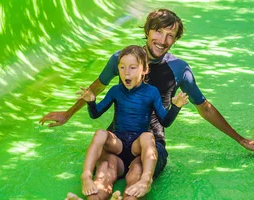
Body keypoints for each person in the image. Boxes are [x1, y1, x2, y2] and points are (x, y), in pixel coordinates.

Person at [41, 9, 254, 199]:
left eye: (170, 35)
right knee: (103, 175)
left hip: (150, 144)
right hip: (118, 140)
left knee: (138, 178)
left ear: (175, 39)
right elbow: (98, 87)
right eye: (158, 32)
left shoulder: (179, 69)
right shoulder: (123, 59)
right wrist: (68, 113)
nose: (163, 40)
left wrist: (242, 140)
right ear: (147, 30)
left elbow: (203, 107)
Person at [75, 45, 189, 198]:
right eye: (122, 67)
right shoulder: (115, 90)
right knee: (101, 134)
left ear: (144, 70)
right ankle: (86, 176)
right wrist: (91, 102)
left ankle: (145, 180)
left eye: (132, 67)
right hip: (119, 145)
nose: (126, 72)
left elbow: (165, 121)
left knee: (148, 137)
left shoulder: (151, 92)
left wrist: (175, 107)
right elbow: (95, 114)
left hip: (137, 147)